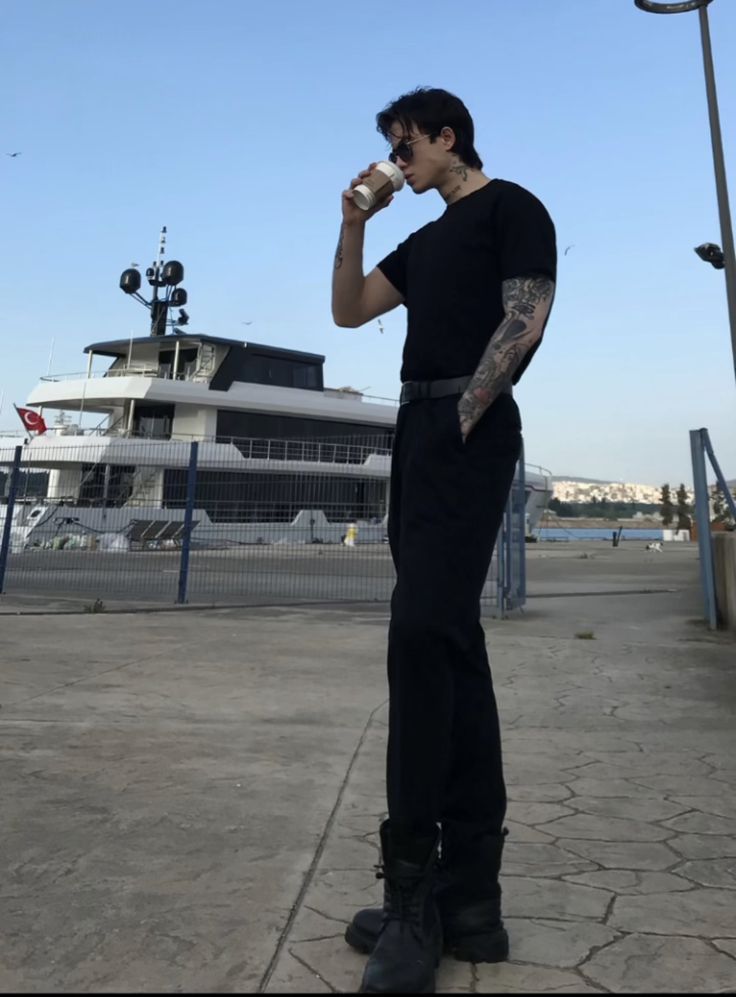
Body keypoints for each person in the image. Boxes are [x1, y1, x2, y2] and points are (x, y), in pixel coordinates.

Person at [331, 87, 556, 994]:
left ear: (445, 135)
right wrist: (351, 221)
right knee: (452, 646)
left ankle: (415, 898)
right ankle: (473, 900)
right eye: (392, 145)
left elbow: (526, 314)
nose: (400, 157)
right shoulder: (420, 242)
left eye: (406, 142)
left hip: (467, 423)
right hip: (415, 435)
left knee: (418, 636)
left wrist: (466, 413)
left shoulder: (512, 207)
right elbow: (349, 311)